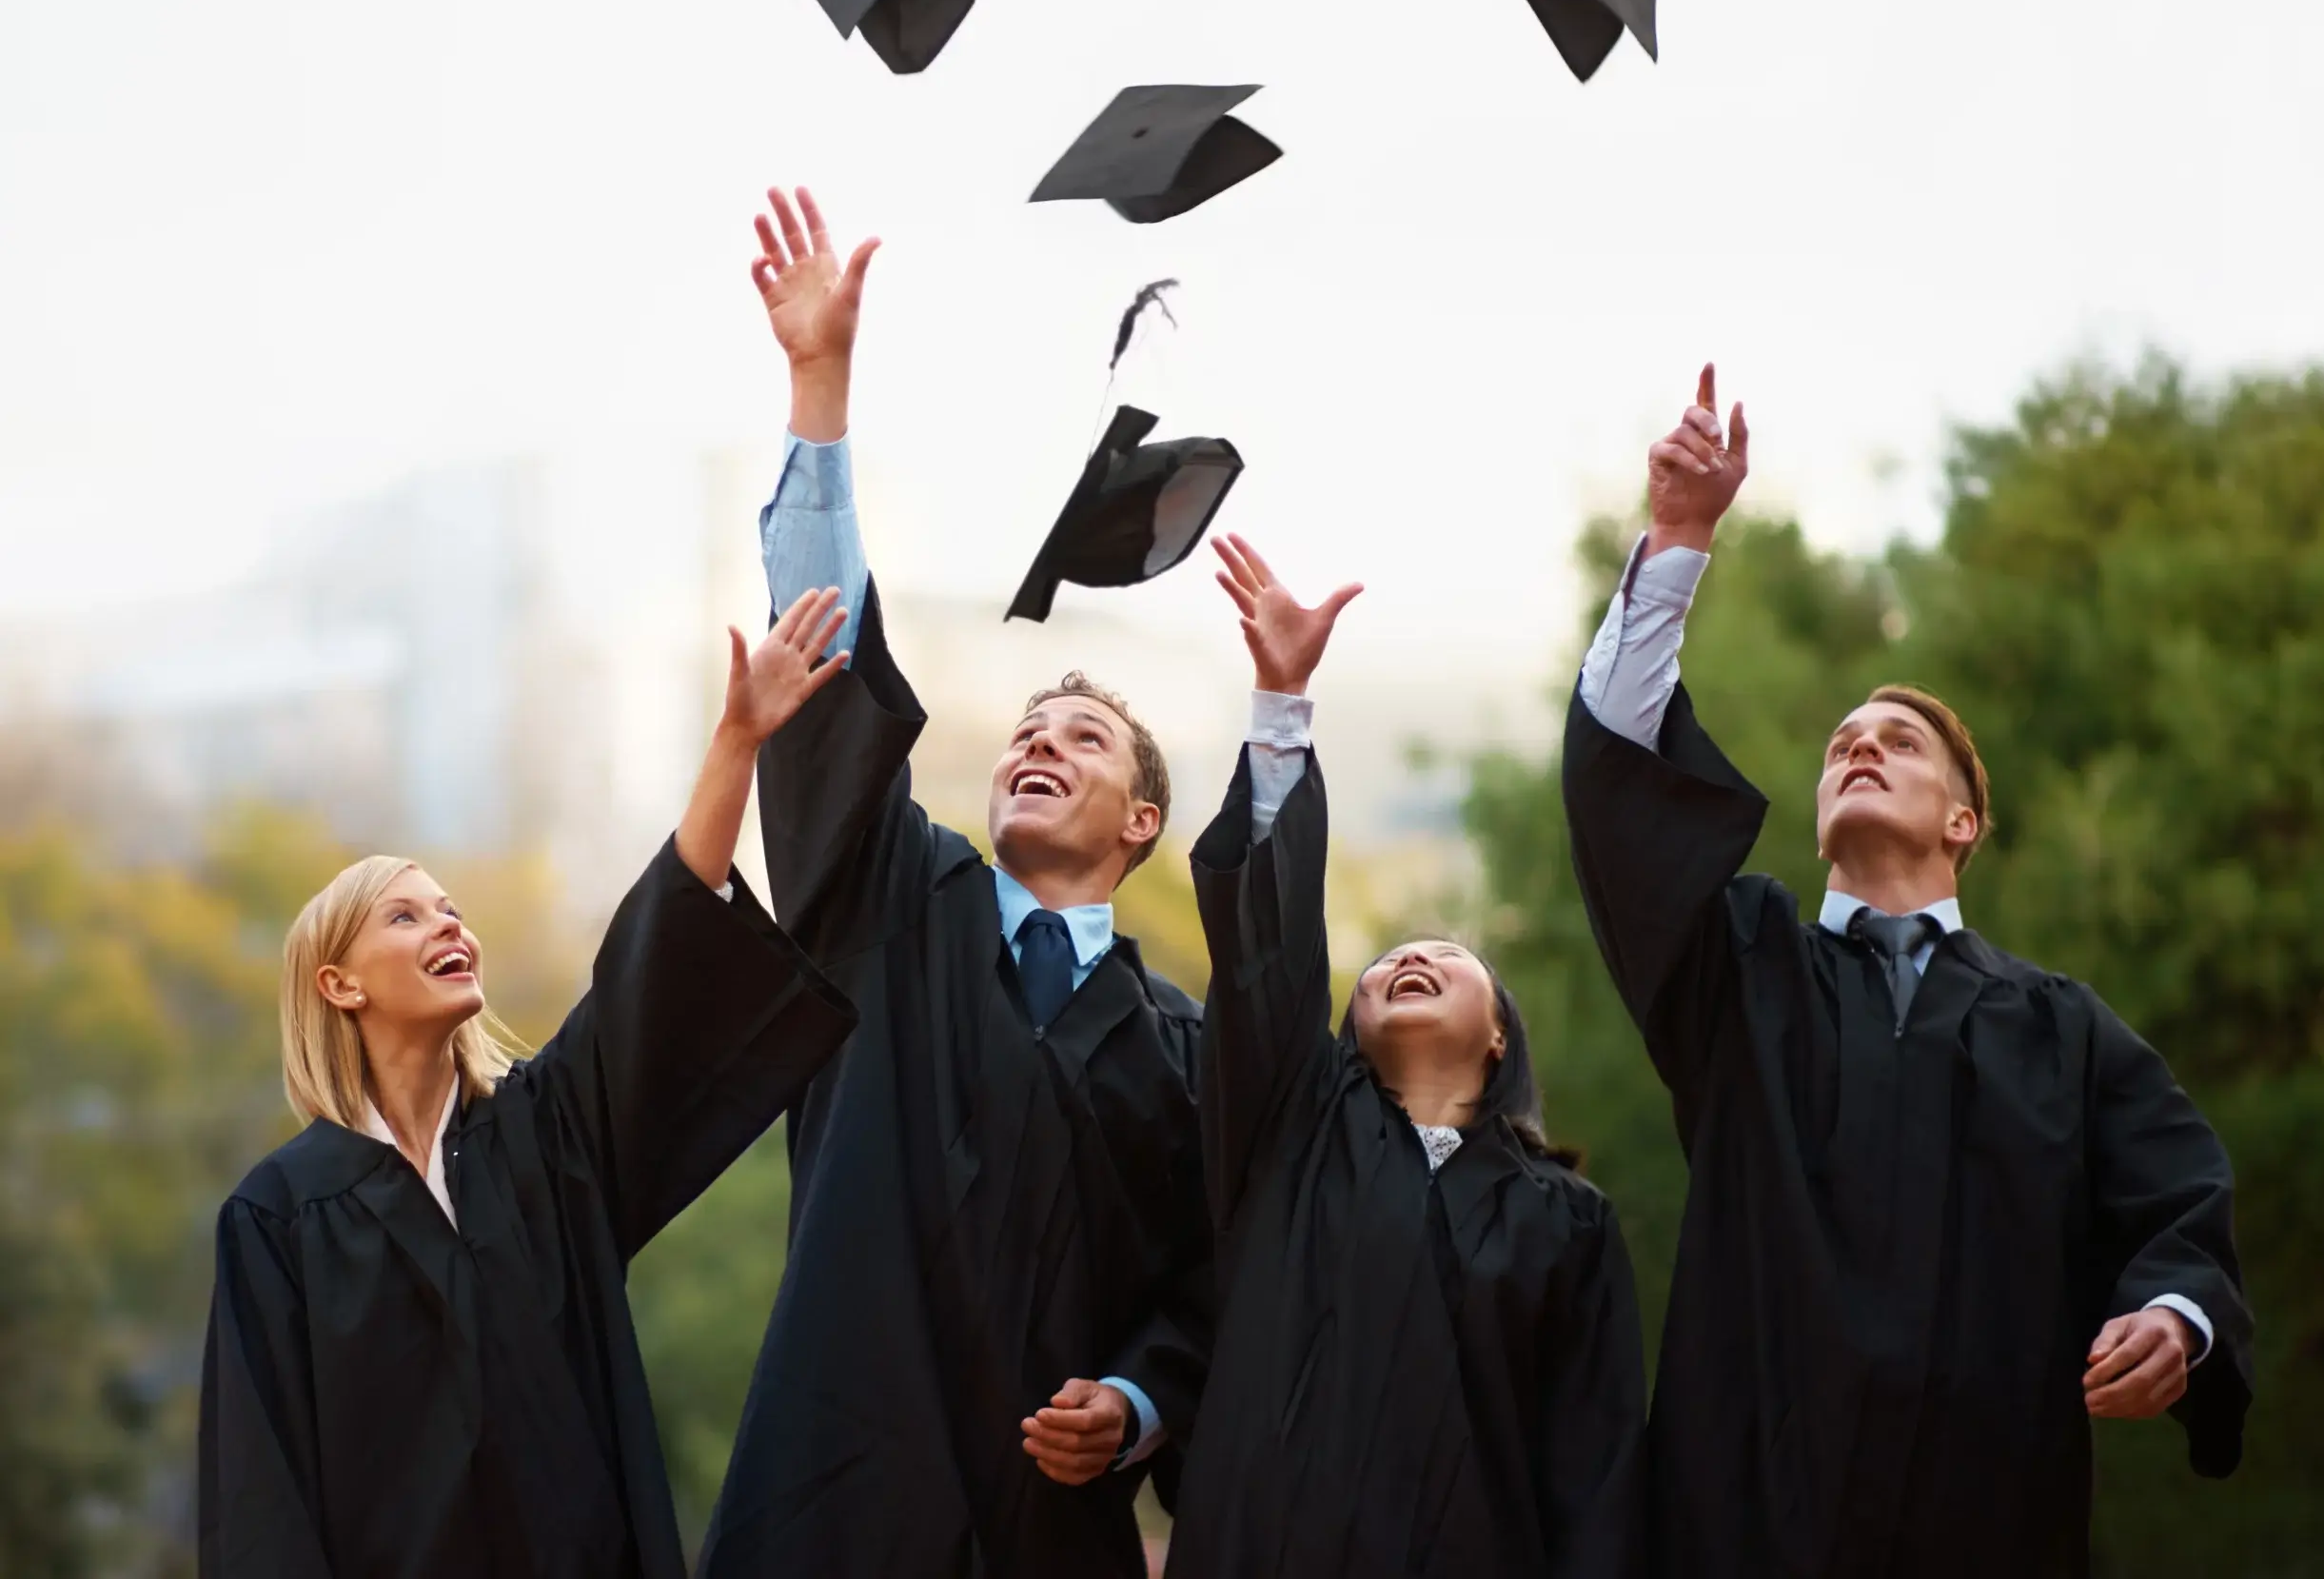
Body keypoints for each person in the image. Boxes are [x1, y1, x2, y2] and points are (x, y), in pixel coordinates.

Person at [1562, 367, 2255, 1577]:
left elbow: (2178, 1204)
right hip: (1746, 1515)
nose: (1855, 744)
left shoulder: (2060, 1031)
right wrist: (1677, 539)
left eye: (1899, 740)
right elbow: (1620, 785)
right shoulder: (1740, 970)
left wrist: (2174, 1320)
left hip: (1985, 1513)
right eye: (1841, 744)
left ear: (1963, 823)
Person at [699, 188, 1212, 1577]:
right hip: (838, 1504)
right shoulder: (893, 908)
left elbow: (1206, 1284)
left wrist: (1140, 1404)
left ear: (1145, 820)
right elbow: (831, 690)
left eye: (1085, 735)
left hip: (1051, 1535)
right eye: (1030, 729)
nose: (1041, 739)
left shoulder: (1183, 1051)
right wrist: (820, 388)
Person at [197, 587, 863, 1578]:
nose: (449, 928)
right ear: (336, 983)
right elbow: (261, 1497)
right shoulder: (282, 1218)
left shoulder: (545, 1144)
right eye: (406, 918)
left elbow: (655, 966)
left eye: (451, 910)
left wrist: (735, 744)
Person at [1168, 536, 1645, 1579]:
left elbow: (1592, 1467)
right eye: (1384, 962)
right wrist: (1281, 703)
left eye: (1446, 956)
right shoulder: (1289, 1141)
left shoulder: (1565, 1224)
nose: (1411, 957)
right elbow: (1263, 965)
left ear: (1498, 1033)